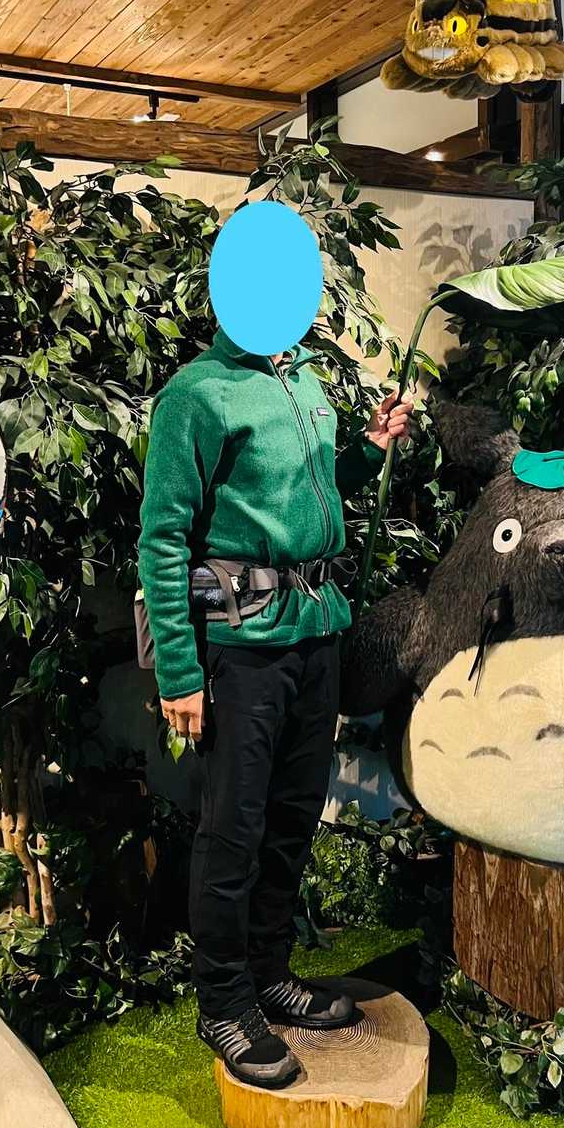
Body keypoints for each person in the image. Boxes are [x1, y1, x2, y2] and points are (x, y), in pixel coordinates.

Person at [138, 326, 412, 1088]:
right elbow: (162, 539)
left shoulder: (306, 380)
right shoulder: (196, 394)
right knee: (233, 830)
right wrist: (179, 672)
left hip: (315, 634)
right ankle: (224, 1002)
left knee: (293, 818)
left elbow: (311, 486)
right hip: (241, 648)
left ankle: (268, 971)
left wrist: (367, 450)